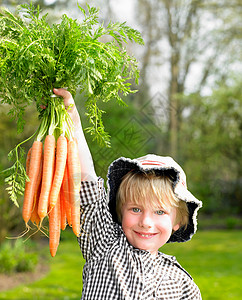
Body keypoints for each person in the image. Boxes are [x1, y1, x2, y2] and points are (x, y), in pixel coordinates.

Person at [54, 88, 203, 300]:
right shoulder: (104, 244)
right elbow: (85, 176)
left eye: (160, 211)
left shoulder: (182, 286)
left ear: (177, 221)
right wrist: (70, 116)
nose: (145, 222)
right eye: (135, 209)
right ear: (120, 211)